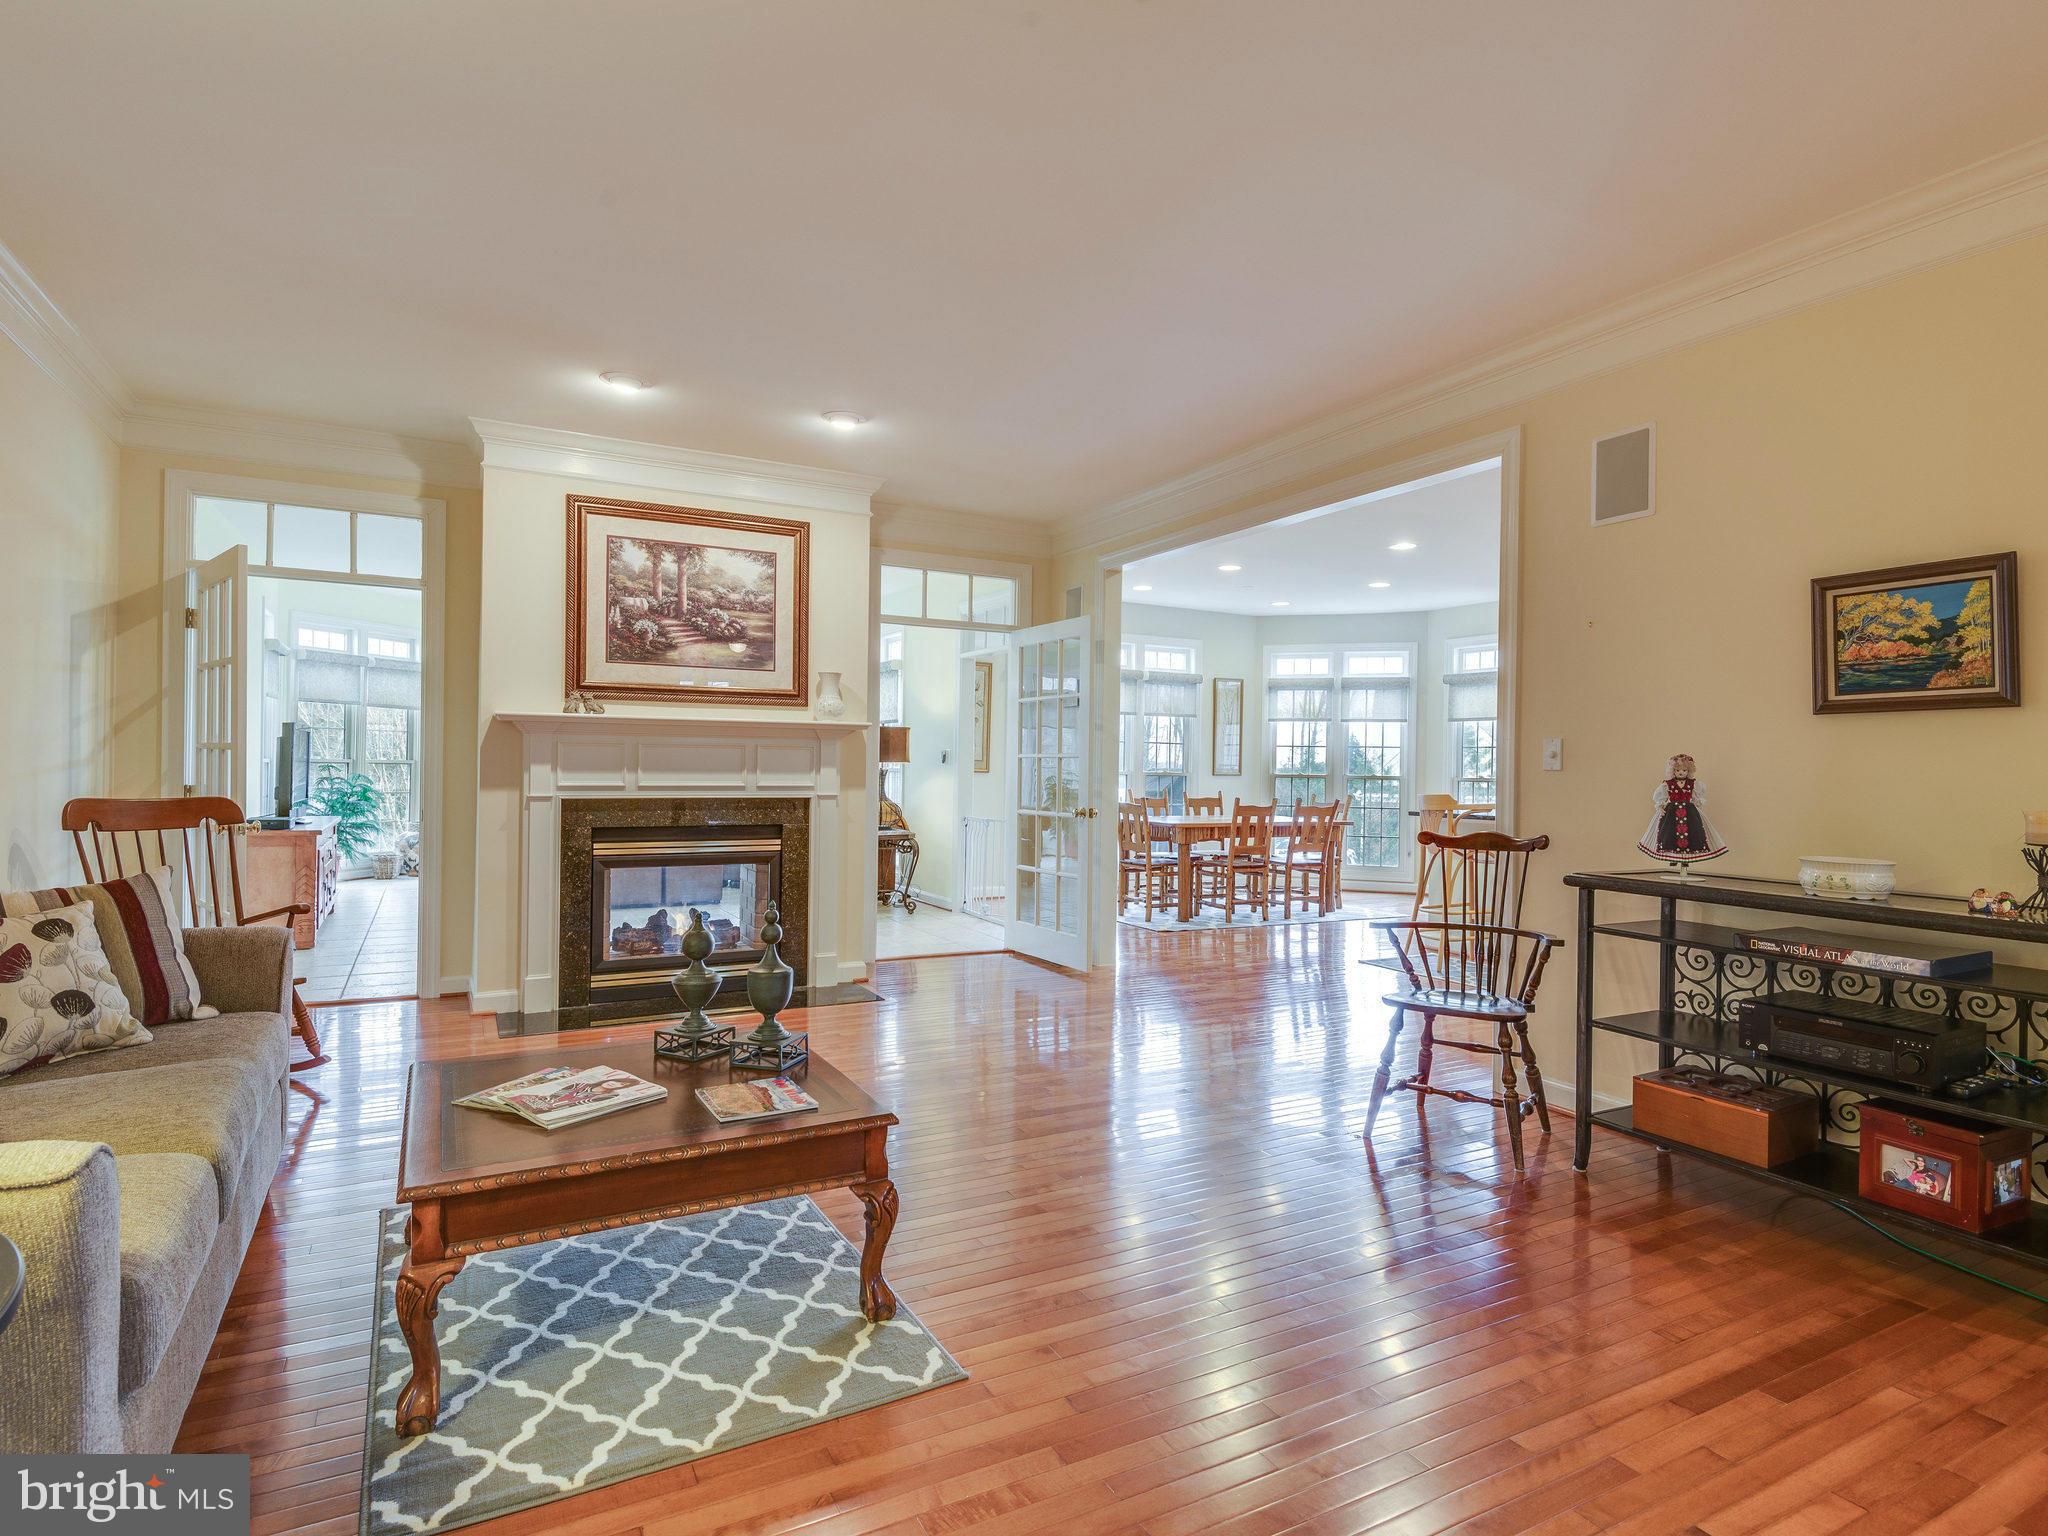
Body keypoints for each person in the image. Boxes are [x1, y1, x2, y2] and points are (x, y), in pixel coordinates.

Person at [1638, 752, 1728, 878]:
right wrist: (1661, 806)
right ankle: (1673, 857)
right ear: (1673, 771)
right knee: (1670, 834)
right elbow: (1660, 797)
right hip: (1671, 813)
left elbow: (1698, 798)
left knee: (1692, 833)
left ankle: (1685, 862)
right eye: (1678, 770)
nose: (1681, 772)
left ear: (1689, 770)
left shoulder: (1694, 784)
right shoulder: (1667, 785)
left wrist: (1697, 803)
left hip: (1689, 812)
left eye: (1684, 770)